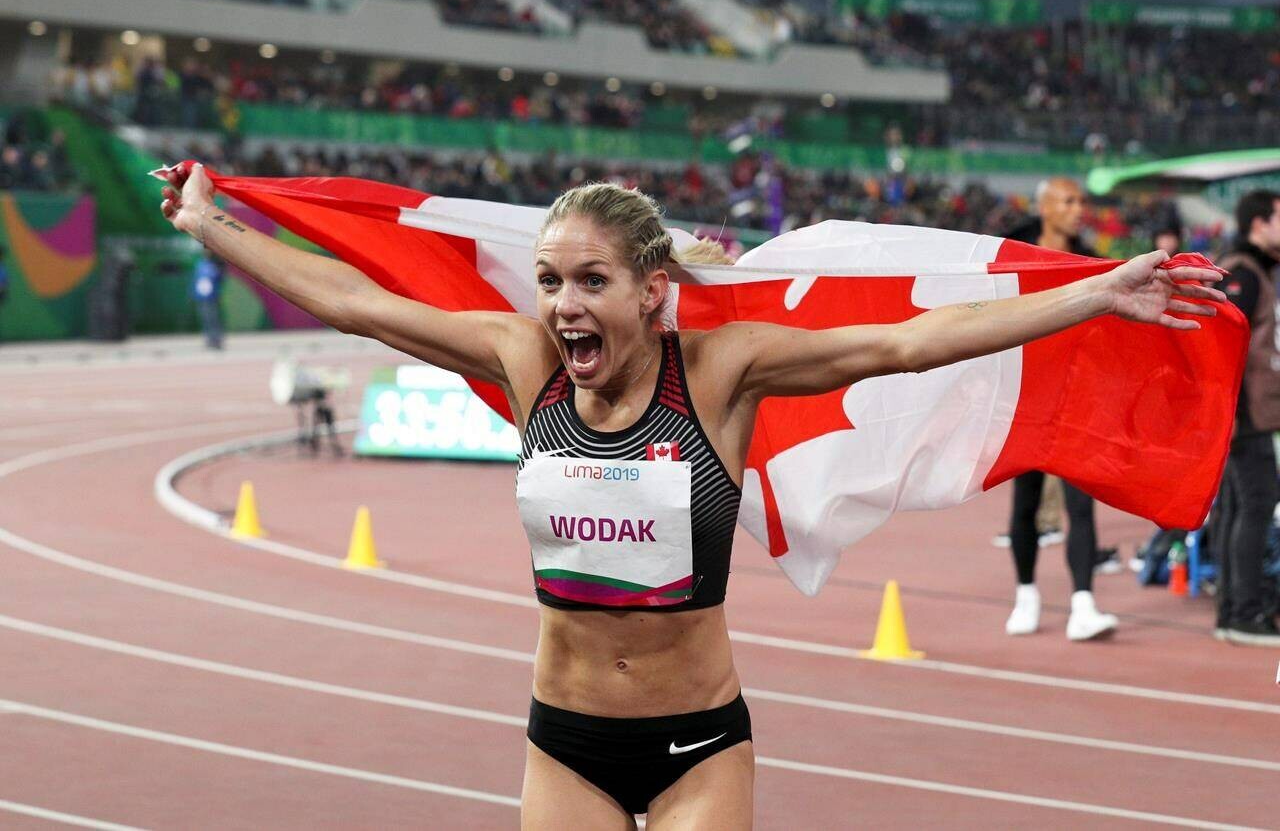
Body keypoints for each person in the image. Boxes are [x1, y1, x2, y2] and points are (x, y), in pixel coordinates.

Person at [160, 162, 1224, 826]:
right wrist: (211, 222)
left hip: (696, 747)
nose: (562, 305)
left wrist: (1094, 291)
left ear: (651, 291)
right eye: (549, 281)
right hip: (563, 742)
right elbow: (356, 302)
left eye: (591, 282)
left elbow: (905, 342)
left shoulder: (721, 373)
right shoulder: (524, 359)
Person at [1001, 177, 1118, 641]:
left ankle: (1083, 604)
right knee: (1026, 502)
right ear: (1045, 207)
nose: (1079, 209)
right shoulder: (1010, 251)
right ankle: (1026, 594)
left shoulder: (1090, 260)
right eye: (1069, 201)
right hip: (1027, 393)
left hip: (1076, 397)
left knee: (1080, 504)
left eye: (1082, 201)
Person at [1213, 189, 1280, 646]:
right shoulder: (1242, 272)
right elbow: (1221, 346)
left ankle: (1233, 609)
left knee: (1239, 507)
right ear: (1259, 223)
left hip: (1250, 411)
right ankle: (1243, 612)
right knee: (1255, 504)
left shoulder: (1256, 268)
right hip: (1245, 413)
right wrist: (1232, 414)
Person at [191, 250, 225, 349]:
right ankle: (209, 339)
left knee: (213, 318)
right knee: (205, 318)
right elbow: (195, 280)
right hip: (201, 297)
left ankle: (217, 340)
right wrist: (193, 293)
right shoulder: (200, 264)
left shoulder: (216, 265)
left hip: (212, 296)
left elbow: (220, 279)